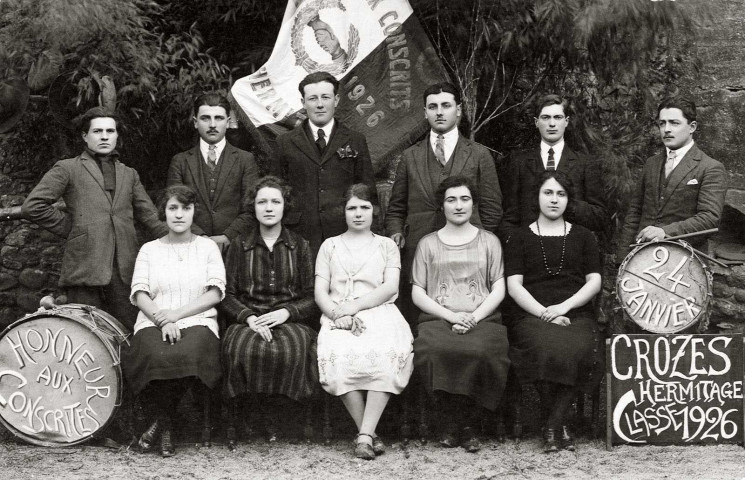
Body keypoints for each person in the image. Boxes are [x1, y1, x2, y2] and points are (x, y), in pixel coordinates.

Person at [22, 107, 168, 329]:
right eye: (97, 131)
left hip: (125, 270)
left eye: (110, 131)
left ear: (117, 136)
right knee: (85, 333)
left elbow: (149, 216)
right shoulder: (68, 168)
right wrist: (73, 228)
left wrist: (186, 241)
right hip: (84, 266)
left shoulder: (129, 174)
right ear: (84, 136)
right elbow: (33, 206)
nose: (104, 136)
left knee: (128, 330)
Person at [122, 185, 225, 457]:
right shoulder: (149, 250)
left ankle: (159, 423)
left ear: (194, 212)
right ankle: (167, 427)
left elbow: (215, 292)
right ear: (163, 213)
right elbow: (140, 292)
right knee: (154, 353)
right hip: (153, 320)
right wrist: (162, 320)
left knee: (190, 353)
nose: (179, 215)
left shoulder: (207, 247)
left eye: (186, 208)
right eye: (173, 208)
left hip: (198, 320)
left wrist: (177, 316)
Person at [386, 82, 502, 322]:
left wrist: (478, 242)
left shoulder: (479, 154)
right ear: (424, 112)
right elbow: (396, 207)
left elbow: (492, 208)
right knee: (418, 320)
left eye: (446, 105)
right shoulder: (410, 156)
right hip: (419, 249)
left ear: (458, 110)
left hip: (469, 256)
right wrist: (396, 232)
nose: (439, 112)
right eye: (433, 106)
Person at [505, 171, 603, 453]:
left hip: (575, 313)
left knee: (579, 348)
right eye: (548, 193)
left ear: (568, 200)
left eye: (561, 194)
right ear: (536, 197)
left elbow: (594, 281)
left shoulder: (583, 236)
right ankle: (557, 425)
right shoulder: (519, 237)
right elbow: (514, 286)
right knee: (543, 347)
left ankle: (552, 424)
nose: (554, 199)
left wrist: (564, 307)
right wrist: (543, 312)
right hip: (531, 315)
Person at [411, 175, 510, 453]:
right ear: (441, 206)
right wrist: (451, 316)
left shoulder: (489, 241)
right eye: (451, 200)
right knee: (435, 350)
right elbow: (418, 291)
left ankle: (467, 425)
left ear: (474, 204)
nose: (458, 205)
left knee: (481, 351)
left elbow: (499, 287)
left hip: (483, 318)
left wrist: (474, 317)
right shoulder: (427, 243)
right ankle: (451, 423)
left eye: (465, 199)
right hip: (438, 318)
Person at [315, 184, 413, 460]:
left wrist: (355, 307)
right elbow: (320, 292)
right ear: (343, 212)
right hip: (337, 314)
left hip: (379, 310)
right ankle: (368, 434)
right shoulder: (329, 245)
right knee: (339, 356)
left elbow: (390, 287)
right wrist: (339, 315)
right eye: (352, 208)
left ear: (375, 211)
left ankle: (364, 435)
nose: (358, 214)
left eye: (365, 207)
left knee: (386, 353)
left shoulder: (386, 245)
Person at [220, 176, 319, 445]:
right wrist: (249, 318)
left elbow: (312, 296)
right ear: (253, 206)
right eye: (262, 202)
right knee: (241, 348)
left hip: (288, 318)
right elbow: (226, 295)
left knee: (292, 349)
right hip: (249, 318)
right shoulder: (239, 245)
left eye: (275, 201)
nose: (269, 207)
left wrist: (287, 312)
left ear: (285, 206)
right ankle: (251, 415)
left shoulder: (300, 245)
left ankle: (278, 416)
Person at [274, 71, 378, 256]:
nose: (320, 104)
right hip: (299, 235)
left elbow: (367, 190)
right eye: (313, 98)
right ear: (303, 103)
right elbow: (276, 191)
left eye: (325, 97)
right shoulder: (284, 142)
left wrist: (372, 235)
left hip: (345, 232)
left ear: (336, 100)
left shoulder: (355, 140)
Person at [616, 96, 726, 260]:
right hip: (642, 259)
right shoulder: (651, 164)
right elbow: (634, 214)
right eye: (662, 123)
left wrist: (665, 232)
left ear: (692, 127)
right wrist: (622, 260)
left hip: (686, 261)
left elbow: (709, 219)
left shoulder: (710, 168)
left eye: (674, 123)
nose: (666, 129)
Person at [499, 94, 606, 241]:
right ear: (536, 122)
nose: (551, 124)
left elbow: (599, 217)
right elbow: (509, 217)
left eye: (557, 117)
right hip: (530, 251)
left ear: (566, 121)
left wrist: (569, 204)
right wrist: (515, 243)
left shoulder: (585, 163)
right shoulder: (519, 162)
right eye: (545, 117)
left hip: (570, 249)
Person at [167, 92, 259, 254]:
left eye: (218, 118)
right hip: (190, 247)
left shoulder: (245, 160)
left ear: (228, 122)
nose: (212, 125)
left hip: (236, 248)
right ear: (195, 122)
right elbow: (174, 208)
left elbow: (251, 208)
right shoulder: (180, 161)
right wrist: (200, 238)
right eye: (205, 118)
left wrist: (227, 237)